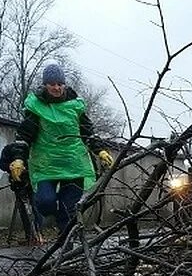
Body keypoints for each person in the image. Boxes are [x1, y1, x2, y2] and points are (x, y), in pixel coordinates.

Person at [6, 63, 113, 243]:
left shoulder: (75, 107)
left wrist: (100, 150)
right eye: (52, 84)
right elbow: (24, 136)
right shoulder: (36, 108)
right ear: (45, 85)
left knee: (68, 209)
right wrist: (18, 159)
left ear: (64, 84)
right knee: (45, 202)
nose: (56, 87)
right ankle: (59, 226)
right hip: (46, 165)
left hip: (73, 165)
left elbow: (88, 132)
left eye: (60, 84)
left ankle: (66, 249)